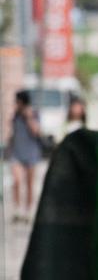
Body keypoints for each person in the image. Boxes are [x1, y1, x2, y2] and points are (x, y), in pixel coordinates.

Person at [7, 91, 43, 221]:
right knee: (16, 181)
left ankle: (28, 211)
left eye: (17, 101)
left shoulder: (34, 114)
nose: (15, 104)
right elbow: (13, 134)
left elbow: (37, 132)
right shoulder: (15, 116)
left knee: (29, 184)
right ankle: (16, 209)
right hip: (17, 153)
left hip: (31, 154)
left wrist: (29, 117)